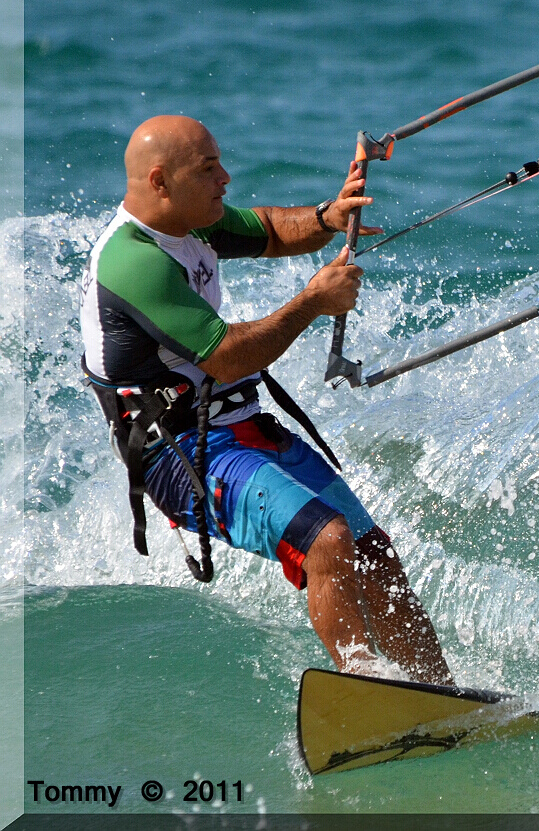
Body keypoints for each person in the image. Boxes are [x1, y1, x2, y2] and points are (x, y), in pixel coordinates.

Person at [80, 114, 452, 685]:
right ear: (160, 182)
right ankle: (365, 684)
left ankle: (442, 693)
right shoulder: (134, 261)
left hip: (243, 427)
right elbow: (227, 355)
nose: (225, 178)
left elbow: (273, 230)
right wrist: (311, 302)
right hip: (182, 455)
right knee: (327, 542)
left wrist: (330, 215)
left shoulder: (190, 222)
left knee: (375, 553)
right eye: (208, 170)